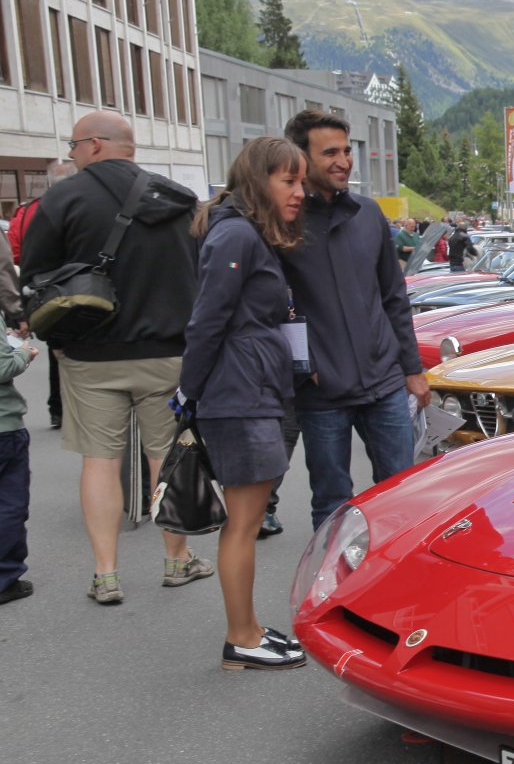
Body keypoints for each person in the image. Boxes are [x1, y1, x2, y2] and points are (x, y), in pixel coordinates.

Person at [19, 111, 213, 604]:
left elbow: (36, 274)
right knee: (165, 456)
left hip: (90, 354)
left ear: (94, 144)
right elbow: (200, 274)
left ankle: (106, 575)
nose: (71, 154)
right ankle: (176, 560)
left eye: (73, 145)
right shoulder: (178, 198)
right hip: (167, 351)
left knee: (100, 462)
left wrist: (56, 336)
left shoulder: (63, 198)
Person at [182, 137, 309, 671]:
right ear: (259, 180)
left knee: (247, 520)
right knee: (244, 523)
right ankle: (241, 638)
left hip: (247, 389)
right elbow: (206, 320)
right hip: (239, 394)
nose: (300, 192)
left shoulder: (243, 231)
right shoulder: (235, 233)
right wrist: (188, 392)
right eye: (289, 181)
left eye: (301, 181)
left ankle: (249, 629)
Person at [280, 109, 429, 529]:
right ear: (301, 158)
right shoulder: (284, 221)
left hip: (384, 382)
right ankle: (334, 572)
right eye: (330, 153)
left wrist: (411, 369)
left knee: (402, 492)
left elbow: (394, 297)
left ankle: (395, 571)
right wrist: (302, 368)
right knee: (331, 502)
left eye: (346, 151)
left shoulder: (368, 213)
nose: (343, 161)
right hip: (321, 392)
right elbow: (270, 308)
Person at [10, 159, 77, 429]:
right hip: (82, 289)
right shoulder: (78, 205)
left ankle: (57, 409)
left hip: (45, 294)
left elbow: (16, 255)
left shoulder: (28, 211)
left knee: (55, 352)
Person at [0, 259, 38, 605]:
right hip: (4, 425)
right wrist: (24, 353)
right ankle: (5, 577)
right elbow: (2, 366)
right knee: (9, 503)